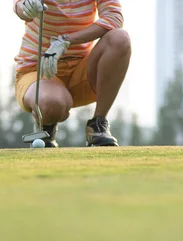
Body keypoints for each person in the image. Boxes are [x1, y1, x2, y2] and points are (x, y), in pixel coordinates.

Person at [13, 0, 131, 147]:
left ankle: (98, 124)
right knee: (53, 104)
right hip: (38, 70)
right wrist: (26, 7)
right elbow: (19, 6)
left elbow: (114, 18)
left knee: (120, 38)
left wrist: (65, 41)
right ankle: (47, 124)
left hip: (81, 70)